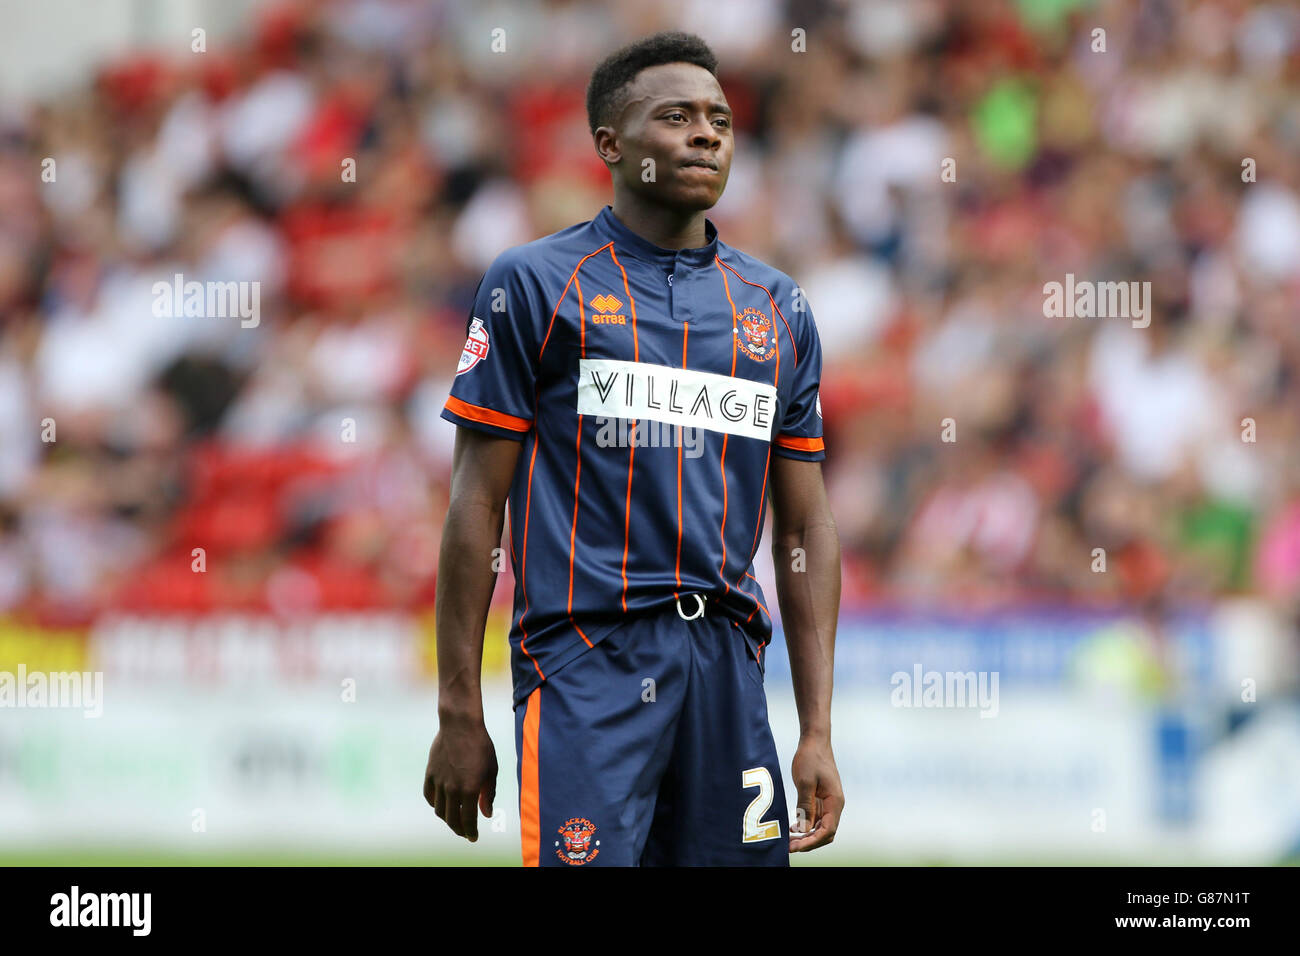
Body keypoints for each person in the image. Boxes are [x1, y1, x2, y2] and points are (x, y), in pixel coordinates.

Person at [423, 30, 843, 866]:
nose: (707, 135)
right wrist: (458, 711)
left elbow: (803, 532)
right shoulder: (536, 283)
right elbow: (476, 504)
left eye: (720, 120)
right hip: (586, 665)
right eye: (678, 117)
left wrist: (818, 730)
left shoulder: (778, 307)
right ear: (611, 145)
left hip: (728, 667)